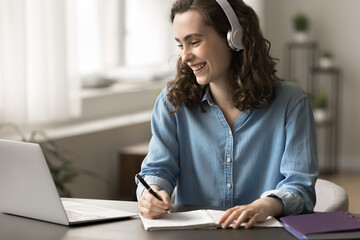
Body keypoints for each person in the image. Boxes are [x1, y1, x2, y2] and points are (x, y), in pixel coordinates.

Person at [136, 0, 318, 229]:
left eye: (194, 42)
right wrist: (151, 193)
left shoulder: (291, 103)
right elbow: (156, 170)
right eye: (180, 45)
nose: (185, 56)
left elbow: (300, 186)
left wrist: (264, 206)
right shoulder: (172, 102)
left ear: (235, 38)